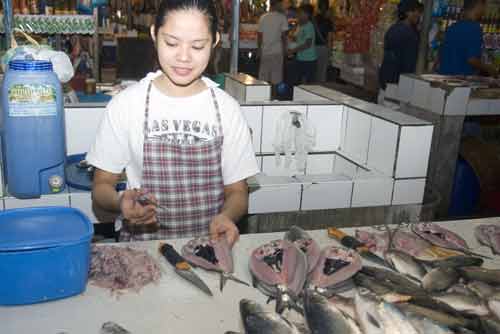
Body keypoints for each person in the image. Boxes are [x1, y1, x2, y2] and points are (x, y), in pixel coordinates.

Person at [86, 0, 260, 246]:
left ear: (215, 41)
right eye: (171, 43)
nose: (184, 57)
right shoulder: (126, 104)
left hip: (207, 246)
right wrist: (120, 202)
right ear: (154, 35)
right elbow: (102, 186)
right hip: (142, 247)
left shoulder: (227, 109)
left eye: (198, 46)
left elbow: (238, 192)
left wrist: (226, 216)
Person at [438, 0, 497, 76]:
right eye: (484, 6)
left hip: (444, 78)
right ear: (479, 5)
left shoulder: (452, 27)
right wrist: (489, 69)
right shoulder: (475, 28)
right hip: (460, 82)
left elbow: (441, 53)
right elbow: (472, 60)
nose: (485, 9)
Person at [378, 0, 423, 100]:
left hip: (387, 80)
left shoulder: (393, 29)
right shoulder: (409, 33)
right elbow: (408, 62)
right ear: (408, 12)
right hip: (397, 83)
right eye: (416, 11)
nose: (419, 15)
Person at [257, 0, 288, 92]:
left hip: (265, 51)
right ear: (277, 4)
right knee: (276, 78)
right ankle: (274, 98)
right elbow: (283, 36)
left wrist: (259, 49)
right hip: (277, 51)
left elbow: (259, 36)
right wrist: (285, 49)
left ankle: (262, 97)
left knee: (263, 78)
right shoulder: (282, 17)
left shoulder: (263, 17)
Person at [288, 4, 317, 84]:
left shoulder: (309, 26)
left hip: (309, 59)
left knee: (308, 85)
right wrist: (291, 36)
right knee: (297, 82)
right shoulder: (301, 26)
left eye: (300, 13)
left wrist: (293, 50)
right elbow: (299, 39)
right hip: (300, 58)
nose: (298, 15)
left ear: (307, 15)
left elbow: (308, 44)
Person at [313, 0, 334, 83]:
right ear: (327, 8)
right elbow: (330, 39)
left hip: (312, 49)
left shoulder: (313, 20)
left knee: (313, 73)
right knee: (321, 74)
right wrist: (329, 53)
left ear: (318, 7)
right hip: (323, 48)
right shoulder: (329, 22)